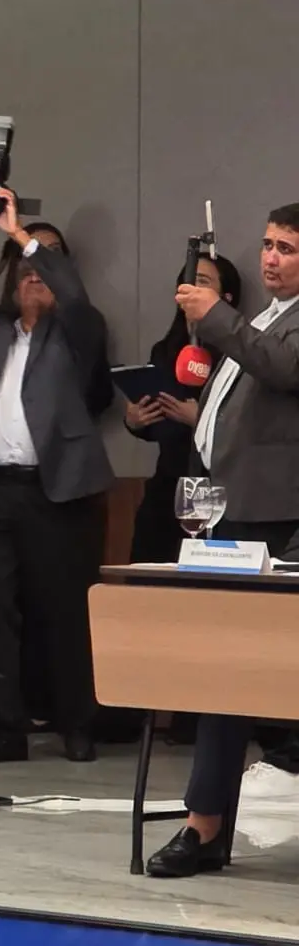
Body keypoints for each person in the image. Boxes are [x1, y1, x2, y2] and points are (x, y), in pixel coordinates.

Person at [0, 180, 114, 764]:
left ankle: (77, 723)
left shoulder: (80, 332)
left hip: (58, 493)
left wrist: (21, 235)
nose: (35, 272)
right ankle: (2, 728)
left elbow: (75, 298)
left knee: (64, 612)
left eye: (46, 263)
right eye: (25, 266)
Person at [147, 203, 299, 878]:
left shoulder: (264, 327)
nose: (270, 258)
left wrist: (216, 317)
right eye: (267, 244)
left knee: (249, 676)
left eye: (286, 248)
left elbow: (283, 369)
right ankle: (204, 826)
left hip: (281, 523)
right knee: (222, 675)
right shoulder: (262, 318)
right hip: (228, 515)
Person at [124, 255, 243, 562]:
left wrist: (201, 420)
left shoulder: (240, 353)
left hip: (218, 488)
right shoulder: (164, 350)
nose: (191, 288)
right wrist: (136, 420)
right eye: (187, 281)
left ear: (226, 298)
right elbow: (159, 423)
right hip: (169, 484)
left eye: (202, 282)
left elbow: (252, 426)